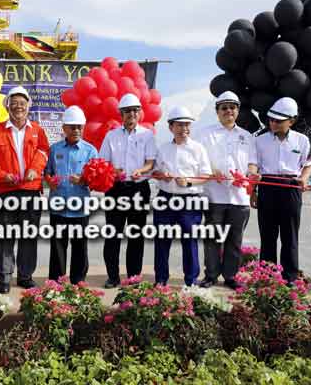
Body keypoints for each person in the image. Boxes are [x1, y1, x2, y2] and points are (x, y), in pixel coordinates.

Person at [0, 86, 50, 294]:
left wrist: (34, 169)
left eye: (22, 103)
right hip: (6, 192)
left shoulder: (37, 130)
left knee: (28, 235)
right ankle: (4, 276)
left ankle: (25, 275)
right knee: (6, 236)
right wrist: (3, 175)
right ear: (8, 107)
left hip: (30, 190)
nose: (18, 107)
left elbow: (43, 152)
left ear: (28, 106)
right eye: (14, 103)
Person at [196, 92, 258, 289]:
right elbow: (199, 161)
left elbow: (253, 163)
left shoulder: (247, 136)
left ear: (237, 111)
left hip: (239, 197)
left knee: (234, 239)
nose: (228, 111)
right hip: (214, 194)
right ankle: (211, 275)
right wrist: (211, 171)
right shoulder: (206, 134)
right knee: (213, 239)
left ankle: (230, 276)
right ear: (217, 112)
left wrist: (250, 174)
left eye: (232, 107)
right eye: (224, 108)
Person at [252, 97, 311, 283]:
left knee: (290, 236)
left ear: (291, 121)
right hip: (267, 187)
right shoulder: (259, 141)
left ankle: (290, 278)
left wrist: (303, 178)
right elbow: (254, 165)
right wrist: (253, 190)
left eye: (278, 120)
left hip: (291, 188)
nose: (273, 123)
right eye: (271, 119)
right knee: (267, 236)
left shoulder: (302, 140)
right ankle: (267, 277)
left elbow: (307, 164)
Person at [99, 93, 156, 288]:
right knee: (112, 235)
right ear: (121, 114)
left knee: (136, 236)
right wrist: (113, 170)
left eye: (134, 110)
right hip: (115, 190)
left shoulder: (147, 135)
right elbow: (103, 163)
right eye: (127, 111)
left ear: (140, 113)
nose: (131, 114)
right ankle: (112, 277)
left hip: (139, 189)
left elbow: (151, 163)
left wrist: (142, 170)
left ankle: (133, 277)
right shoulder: (111, 135)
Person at [152, 106, 211, 286]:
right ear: (171, 127)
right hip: (165, 198)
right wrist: (161, 175)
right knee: (162, 241)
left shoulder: (198, 148)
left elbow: (206, 175)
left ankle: (190, 281)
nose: (184, 129)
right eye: (180, 125)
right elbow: (155, 172)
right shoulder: (163, 148)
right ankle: (161, 280)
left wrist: (189, 182)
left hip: (190, 200)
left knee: (189, 241)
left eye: (187, 125)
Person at [44, 105, 97, 284]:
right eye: (72, 127)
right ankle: (57, 282)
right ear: (64, 128)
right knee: (58, 247)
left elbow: (96, 180)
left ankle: (78, 281)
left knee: (79, 247)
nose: (76, 130)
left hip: (80, 208)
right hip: (58, 207)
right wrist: (49, 181)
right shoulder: (54, 149)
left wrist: (83, 181)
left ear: (83, 128)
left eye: (79, 127)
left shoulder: (90, 150)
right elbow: (47, 173)